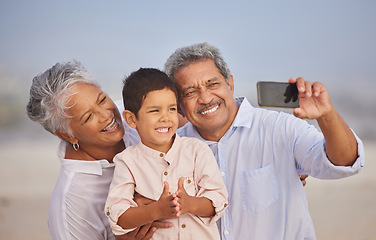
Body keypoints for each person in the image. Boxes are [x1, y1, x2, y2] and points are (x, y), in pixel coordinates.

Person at [163, 42, 365, 240]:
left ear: (230, 84)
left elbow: (344, 162)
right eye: (190, 92)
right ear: (178, 104)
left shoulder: (280, 129)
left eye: (213, 84)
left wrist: (326, 115)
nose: (206, 98)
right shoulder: (171, 149)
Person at [26, 61, 169, 240]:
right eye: (88, 117)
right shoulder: (72, 205)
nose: (107, 115)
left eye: (102, 100)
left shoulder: (136, 113)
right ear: (68, 135)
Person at [105, 68, 228, 239]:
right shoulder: (127, 161)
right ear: (132, 119)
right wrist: (154, 211)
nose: (165, 117)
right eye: (155, 111)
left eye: (171, 109)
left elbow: (219, 199)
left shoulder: (196, 150)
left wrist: (192, 204)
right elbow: (118, 217)